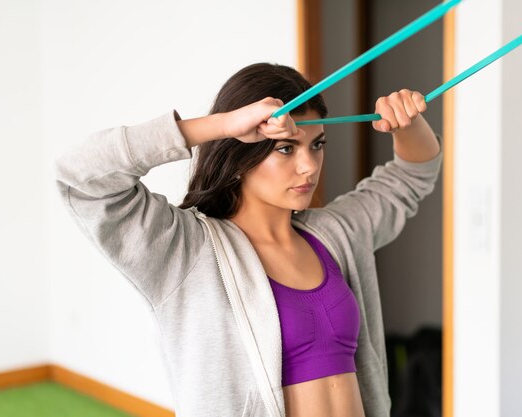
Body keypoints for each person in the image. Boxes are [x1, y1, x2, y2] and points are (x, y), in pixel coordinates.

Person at [54, 62, 442, 417]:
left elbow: (409, 179)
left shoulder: (336, 234)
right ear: (240, 151)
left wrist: (409, 127)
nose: (309, 166)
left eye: (317, 145)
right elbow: (82, 177)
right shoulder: (187, 252)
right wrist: (218, 126)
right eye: (286, 148)